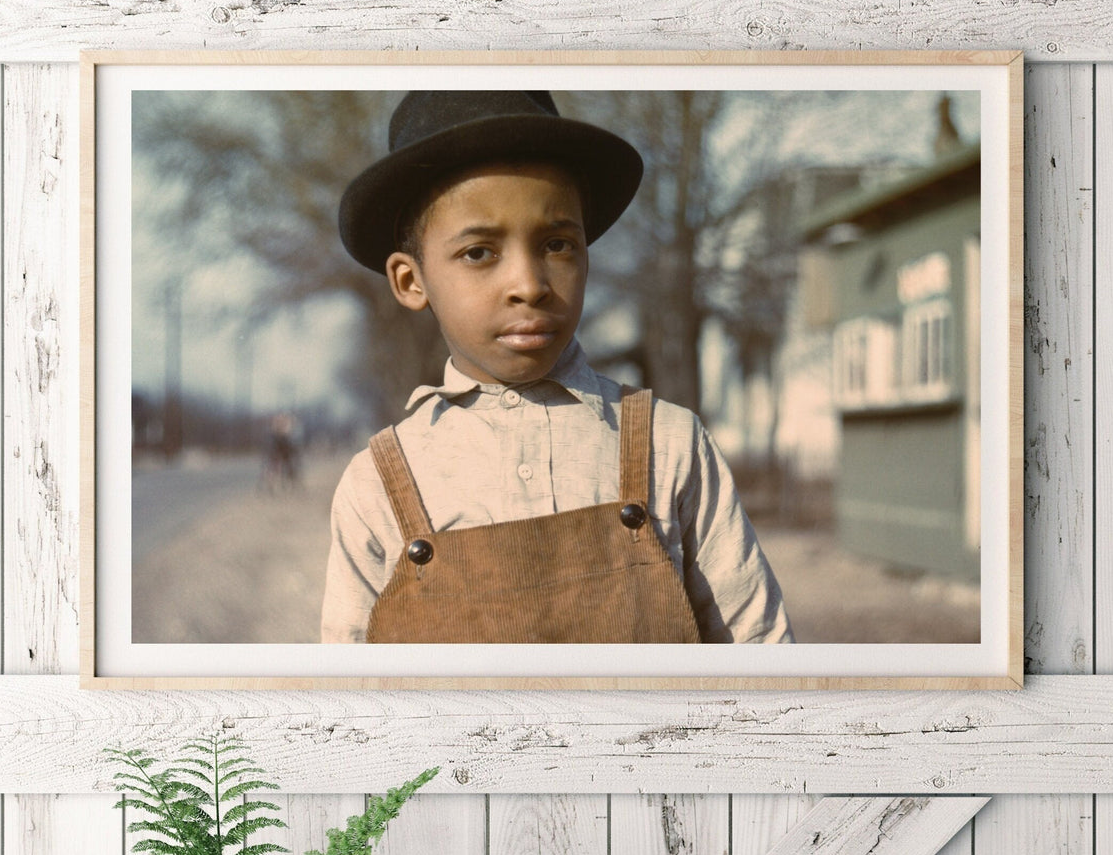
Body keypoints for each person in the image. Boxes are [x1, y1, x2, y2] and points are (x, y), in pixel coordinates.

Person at [321, 89, 793, 646]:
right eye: (479, 252)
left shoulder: (669, 446)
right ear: (410, 280)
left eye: (557, 244)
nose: (530, 285)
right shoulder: (377, 485)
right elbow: (352, 687)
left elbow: (761, 655)